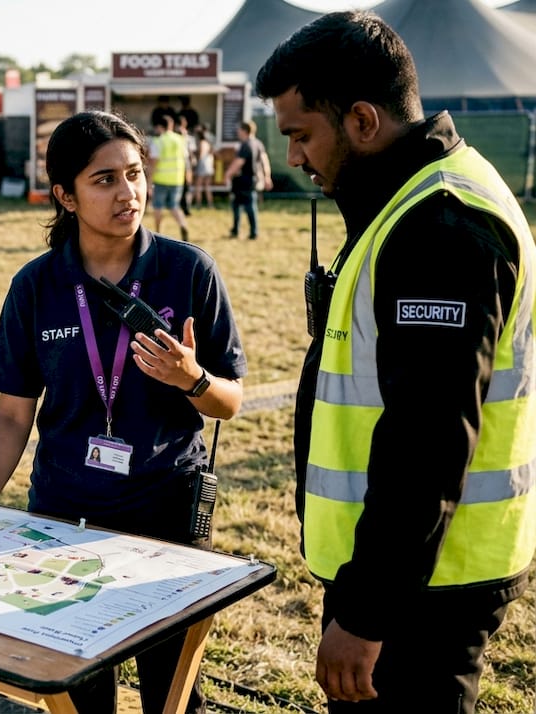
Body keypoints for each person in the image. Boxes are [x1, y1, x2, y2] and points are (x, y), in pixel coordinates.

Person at [255, 11, 536, 712]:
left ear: (361, 120)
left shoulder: (438, 227)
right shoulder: (407, 200)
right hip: (415, 575)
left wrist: (366, 613)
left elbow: (428, 439)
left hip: (423, 592)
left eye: (300, 134)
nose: (292, 157)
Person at [0, 110, 246, 714]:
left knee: (173, 692)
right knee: (79, 690)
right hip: (64, 516)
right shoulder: (37, 285)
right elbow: (11, 414)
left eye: (134, 174)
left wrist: (193, 379)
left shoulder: (188, 271)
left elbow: (229, 402)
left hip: (166, 511)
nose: (127, 193)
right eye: (104, 180)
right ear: (65, 196)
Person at [224, 121, 272, 240]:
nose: (237, 131)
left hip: (243, 181)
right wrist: (267, 177)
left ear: (245, 131)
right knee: (247, 206)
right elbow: (265, 161)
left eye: (239, 129)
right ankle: (249, 231)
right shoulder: (258, 143)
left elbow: (238, 163)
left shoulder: (246, 145)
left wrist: (228, 174)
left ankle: (242, 231)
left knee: (240, 206)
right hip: (253, 180)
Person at [148, 115, 190, 241]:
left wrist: (149, 181)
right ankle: (183, 224)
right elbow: (185, 158)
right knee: (174, 206)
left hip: (161, 179)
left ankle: (158, 232)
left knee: (158, 206)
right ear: (170, 126)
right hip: (177, 179)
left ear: (160, 127)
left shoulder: (158, 141)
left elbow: (154, 162)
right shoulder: (181, 140)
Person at [191, 124, 215, 209]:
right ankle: (210, 204)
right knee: (207, 187)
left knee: (198, 186)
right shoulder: (208, 143)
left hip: (202, 166)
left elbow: (200, 155)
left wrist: (194, 158)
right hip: (209, 167)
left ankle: (198, 204)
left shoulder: (202, 143)